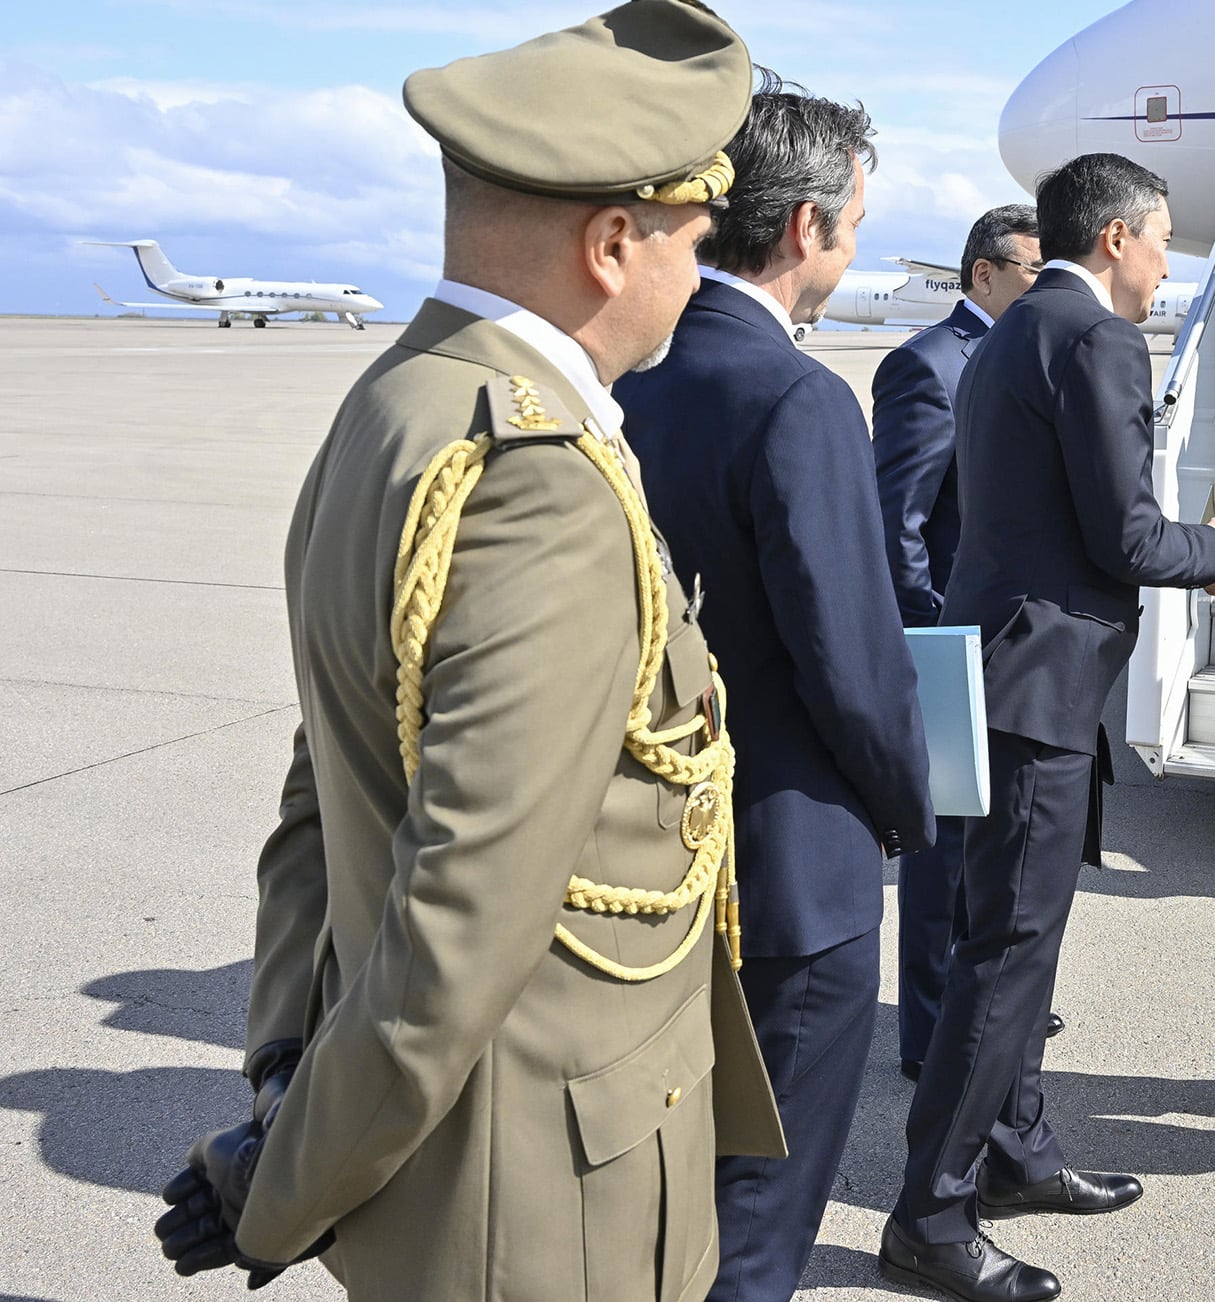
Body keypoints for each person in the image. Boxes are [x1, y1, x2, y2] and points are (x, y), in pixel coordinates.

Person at [148, 4, 786, 1298]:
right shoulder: (536, 476)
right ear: (614, 245)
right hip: (543, 1199)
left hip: (489, 1163)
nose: (697, 268)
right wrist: (285, 1179)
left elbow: (318, 784)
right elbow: (463, 919)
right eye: (693, 238)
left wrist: (286, 1061)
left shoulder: (399, 404)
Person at [881, 153, 1215, 1302]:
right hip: (1038, 684)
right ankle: (930, 1218)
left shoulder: (1003, 335)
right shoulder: (1095, 338)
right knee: (1007, 954)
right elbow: (1127, 537)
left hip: (1004, 664)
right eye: (1161, 238)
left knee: (1007, 937)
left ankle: (1020, 1148)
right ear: (1117, 239)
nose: (1165, 259)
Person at [617, 78, 934, 1302]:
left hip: (647, 862)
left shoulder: (629, 378)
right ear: (805, 226)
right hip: (791, 871)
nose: (851, 247)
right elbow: (854, 667)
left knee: (664, 1188)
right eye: (855, 222)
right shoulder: (799, 398)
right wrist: (916, 802)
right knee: (756, 1216)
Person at [871, 204, 1067, 1083]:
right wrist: (935, 638)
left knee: (991, 839)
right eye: (1033, 269)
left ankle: (983, 997)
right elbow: (898, 521)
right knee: (942, 849)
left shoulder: (1020, 355)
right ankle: (926, 1029)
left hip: (1010, 639)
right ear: (982, 275)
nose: (1045, 285)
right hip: (955, 639)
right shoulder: (929, 365)